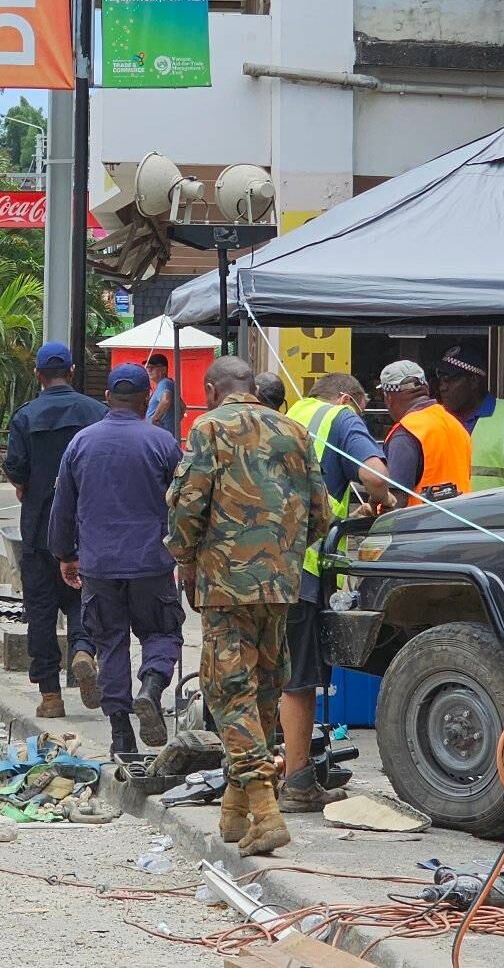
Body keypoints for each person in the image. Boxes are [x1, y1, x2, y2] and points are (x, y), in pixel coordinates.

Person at [166, 356, 333, 858]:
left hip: (226, 584)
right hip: (281, 582)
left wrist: (184, 557)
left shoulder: (209, 428)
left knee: (228, 691)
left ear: (210, 389)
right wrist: (283, 554)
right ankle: (235, 810)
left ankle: (265, 807)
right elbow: (321, 512)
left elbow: (188, 505)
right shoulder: (293, 429)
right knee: (264, 686)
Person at [47, 363, 184, 756]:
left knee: (109, 643)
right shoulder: (163, 443)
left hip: (99, 565)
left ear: (107, 397)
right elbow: (183, 505)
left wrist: (64, 554)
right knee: (161, 633)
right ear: (147, 398)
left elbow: (63, 507)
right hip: (152, 563)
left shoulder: (81, 443)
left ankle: (122, 735)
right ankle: (151, 687)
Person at [278, 373, 389, 810]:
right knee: (298, 681)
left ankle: (257, 773)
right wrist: (386, 501)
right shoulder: (340, 417)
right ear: (347, 398)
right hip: (304, 568)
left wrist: (345, 516)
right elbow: (375, 475)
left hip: (261, 566)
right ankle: (297, 782)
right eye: (362, 404)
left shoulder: (291, 415)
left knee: (266, 674)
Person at [2, 341, 109, 717]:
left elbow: (16, 469)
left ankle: (50, 696)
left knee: (41, 611)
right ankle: (82, 649)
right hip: (87, 530)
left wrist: (25, 486)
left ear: (37, 375)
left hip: (39, 531)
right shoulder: (97, 413)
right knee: (83, 598)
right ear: (73, 372)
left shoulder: (25, 417)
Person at [434, 344, 504, 490]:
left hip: (491, 505)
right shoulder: (437, 417)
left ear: (473, 381)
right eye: (440, 379)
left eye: (450, 379)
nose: (442, 387)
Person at [377, 359, 473, 505]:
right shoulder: (455, 424)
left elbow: (396, 503)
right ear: (426, 389)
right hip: (460, 517)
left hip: (421, 520)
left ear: (388, 398)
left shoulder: (406, 434)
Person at [145, 353, 180, 433]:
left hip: (159, 434)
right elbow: (182, 407)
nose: (149, 370)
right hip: (165, 433)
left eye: (152, 367)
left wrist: (154, 419)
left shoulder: (164, 383)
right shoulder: (169, 383)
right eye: (148, 367)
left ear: (164, 370)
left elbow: (166, 400)